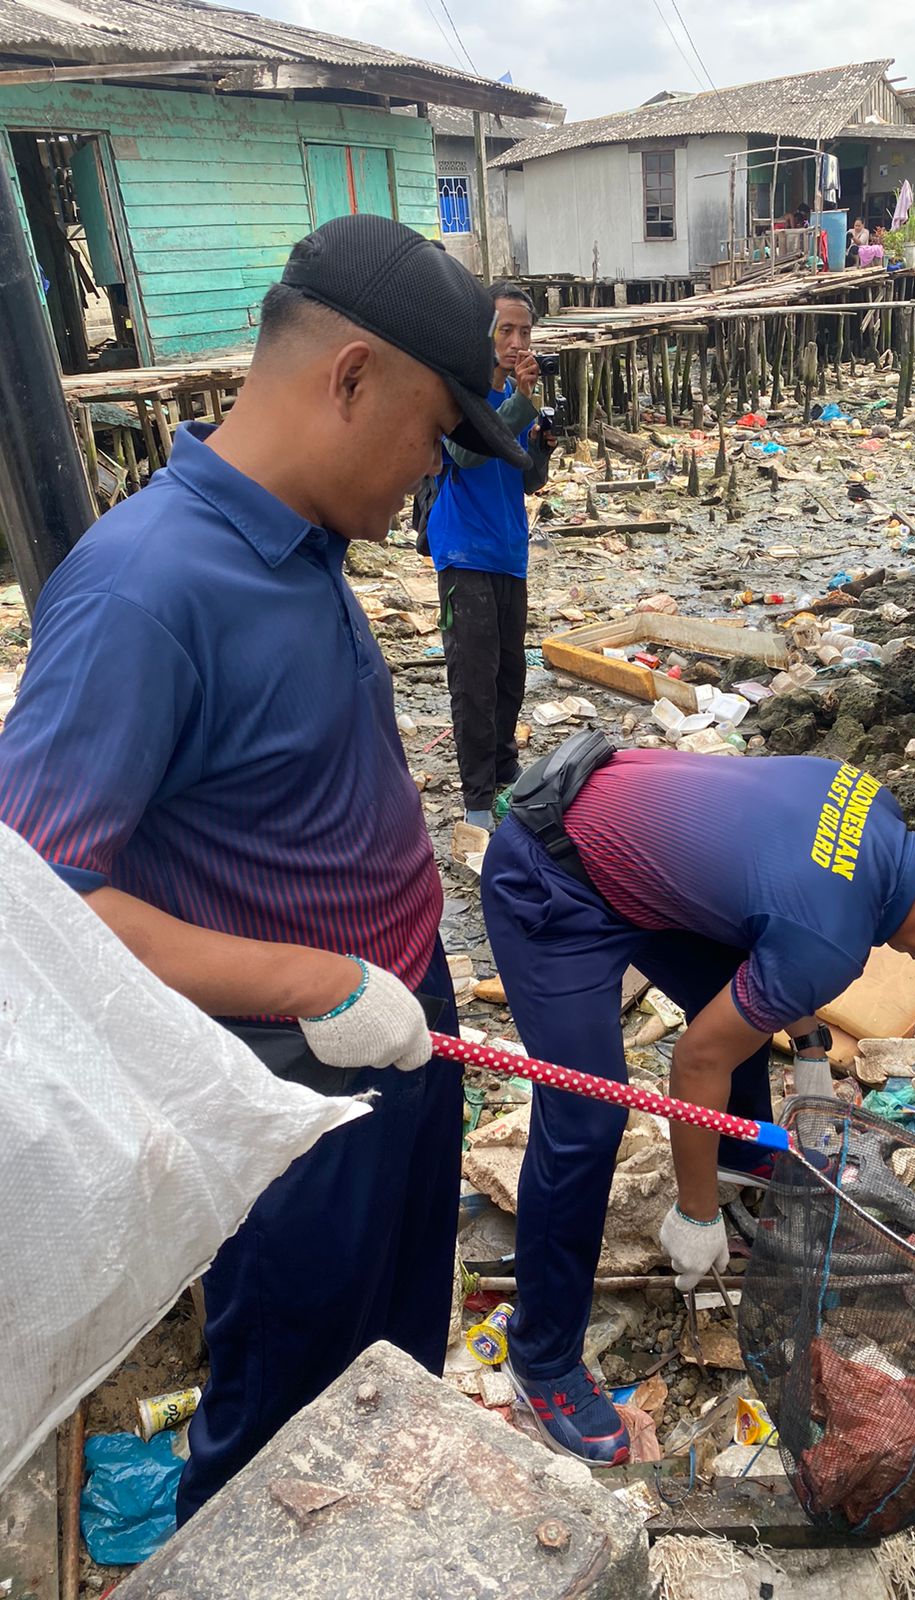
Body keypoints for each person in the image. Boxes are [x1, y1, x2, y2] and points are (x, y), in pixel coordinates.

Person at [0, 214, 532, 1523]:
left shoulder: (302, 545)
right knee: (286, 1414)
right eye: (432, 432)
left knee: (395, 1360)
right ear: (351, 376)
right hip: (292, 1081)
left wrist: (398, 978)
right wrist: (308, 979)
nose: (429, 474)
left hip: (403, 1022)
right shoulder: (144, 591)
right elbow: (33, 910)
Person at [481, 743, 915, 1464]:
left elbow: (767, 909)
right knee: (585, 1122)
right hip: (554, 871)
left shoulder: (873, 808)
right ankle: (542, 1358)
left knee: (744, 1014)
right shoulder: (833, 936)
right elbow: (699, 1056)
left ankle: (746, 1168)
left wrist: (808, 1039)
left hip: (616, 832)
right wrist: (691, 1214)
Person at [425, 282, 557, 830]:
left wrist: (542, 445)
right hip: (464, 551)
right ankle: (477, 803)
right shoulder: (466, 392)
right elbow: (463, 453)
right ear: (485, 334)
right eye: (506, 329)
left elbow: (526, 479)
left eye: (524, 331)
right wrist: (521, 403)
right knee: (473, 681)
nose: (516, 340)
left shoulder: (518, 395)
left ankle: (504, 773)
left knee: (508, 677)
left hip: (509, 551)